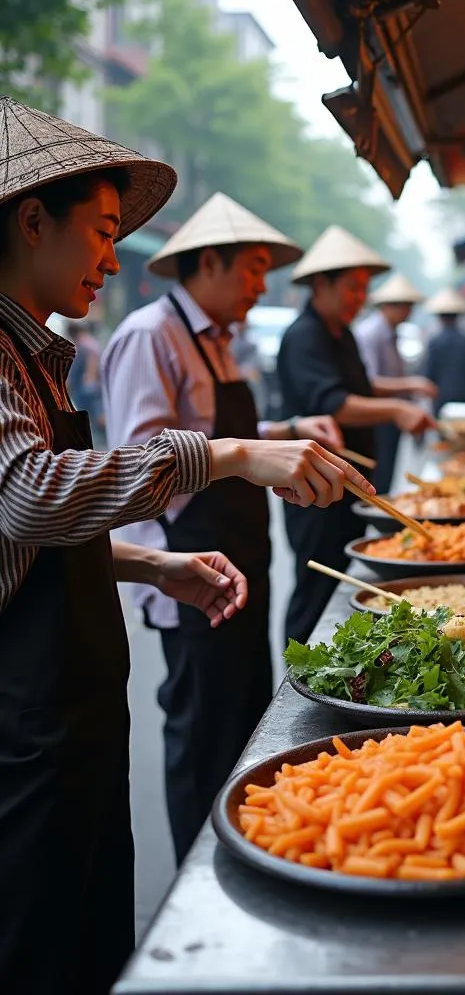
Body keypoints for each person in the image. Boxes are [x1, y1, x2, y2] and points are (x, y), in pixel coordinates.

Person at [0, 97, 372, 995]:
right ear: (31, 219)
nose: (109, 256)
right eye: (97, 230)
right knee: (34, 945)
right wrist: (236, 454)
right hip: (25, 722)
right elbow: (27, 496)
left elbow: (37, 527)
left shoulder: (39, 353)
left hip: (82, 706)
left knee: (94, 930)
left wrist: (154, 561)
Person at [101, 192, 351, 865]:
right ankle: (197, 873)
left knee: (245, 729)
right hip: (188, 569)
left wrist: (288, 432)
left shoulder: (219, 340)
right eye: (253, 269)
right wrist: (246, 453)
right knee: (201, 739)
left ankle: (250, 850)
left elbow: (228, 437)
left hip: (245, 554)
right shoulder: (151, 336)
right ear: (208, 263)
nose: (261, 287)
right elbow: (141, 462)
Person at [277, 226, 435, 645]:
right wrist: (399, 409)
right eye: (351, 288)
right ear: (321, 284)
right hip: (312, 485)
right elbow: (337, 403)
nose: (359, 299)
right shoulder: (304, 336)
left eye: (365, 289)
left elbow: (362, 388)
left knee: (341, 576)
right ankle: (296, 675)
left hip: (344, 481)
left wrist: (407, 388)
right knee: (315, 582)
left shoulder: (340, 333)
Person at [353, 272, 437, 490]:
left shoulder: (390, 332)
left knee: (388, 473)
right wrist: (412, 384)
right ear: (389, 306)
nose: (409, 312)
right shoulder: (370, 333)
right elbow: (370, 382)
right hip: (377, 416)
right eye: (405, 306)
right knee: (377, 478)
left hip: (390, 418)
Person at [422, 286, 465, 416]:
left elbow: (428, 372)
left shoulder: (435, 342)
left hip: (440, 398)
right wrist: (463, 386)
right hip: (462, 395)